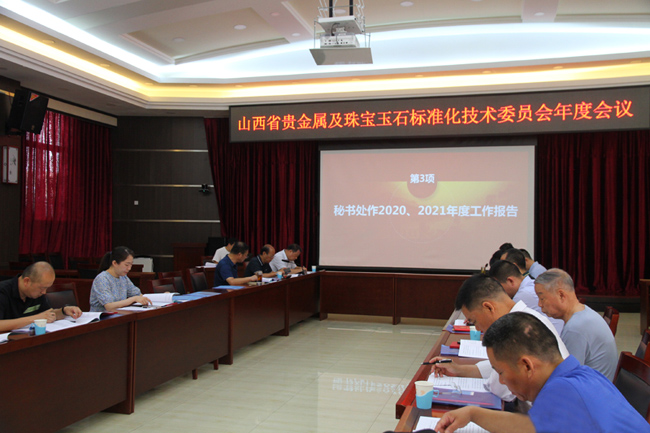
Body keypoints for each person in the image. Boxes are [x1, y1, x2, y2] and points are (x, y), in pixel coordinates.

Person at [434, 312, 650, 433]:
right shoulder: (580, 375)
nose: (501, 380)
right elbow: (530, 427)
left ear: (527, 366)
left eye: (500, 372)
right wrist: (472, 414)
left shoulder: (563, 391)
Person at [429, 273, 568, 402]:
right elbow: (501, 369)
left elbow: (501, 389)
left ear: (488, 307)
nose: (478, 329)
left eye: (474, 321)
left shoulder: (517, 329)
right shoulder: (526, 316)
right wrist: (459, 369)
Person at [534, 268, 618, 381]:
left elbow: (566, 377)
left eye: (542, 298)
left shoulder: (576, 328)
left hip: (592, 389)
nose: (539, 304)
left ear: (561, 295)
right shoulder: (584, 313)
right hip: (599, 385)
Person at [0, 261, 82, 332]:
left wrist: (64, 311)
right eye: (42, 288)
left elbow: (47, 314)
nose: (44, 292)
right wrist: (35, 318)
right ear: (26, 281)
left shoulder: (37, 293)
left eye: (47, 288)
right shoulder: (3, 292)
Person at [489, 260, 563, 334]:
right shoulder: (531, 283)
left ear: (510, 281)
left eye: (500, 287)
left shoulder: (523, 294)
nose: (500, 292)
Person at [90, 246, 152, 312]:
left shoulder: (123, 277)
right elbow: (109, 307)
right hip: (102, 316)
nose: (129, 268)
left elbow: (137, 294)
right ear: (115, 263)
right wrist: (133, 299)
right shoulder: (102, 278)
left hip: (119, 314)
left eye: (131, 265)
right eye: (126, 265)